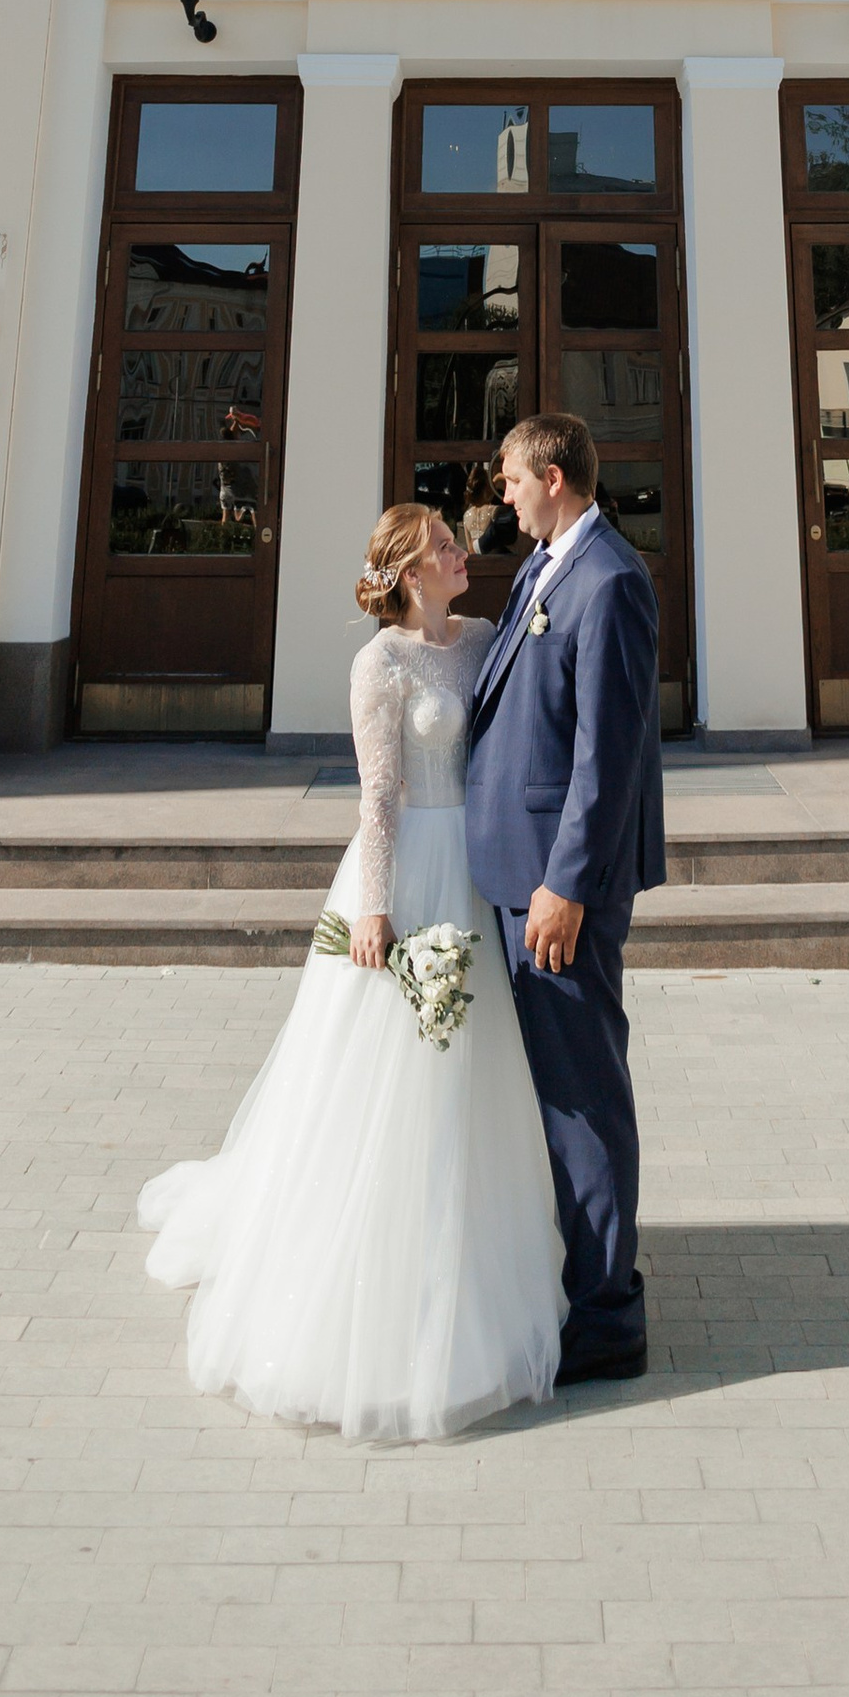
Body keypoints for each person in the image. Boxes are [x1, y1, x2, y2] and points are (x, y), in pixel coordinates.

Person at [137, 502, 564, 1441]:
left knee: (471, 1066)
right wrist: (374, 909)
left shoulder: (485, 638)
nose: (463, 553)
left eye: (458, 541)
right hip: (409, 869)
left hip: (478, 872)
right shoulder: (381, 667)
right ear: (412, 573)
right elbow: (378, 798)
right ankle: (363, 1258)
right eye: (447, 547)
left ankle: (468, 1250)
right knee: (387, 1066)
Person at [464, 412, 667, 1383]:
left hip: (556, 885)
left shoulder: (611, 580)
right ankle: (579, 1268)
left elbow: (609, 751)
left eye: (507, 478)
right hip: (516, 869)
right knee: (552, 1088)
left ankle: (606, 1315)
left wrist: (567, 884)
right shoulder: (544, 568)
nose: (499, 492)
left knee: (582, 1094)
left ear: (551, 475)